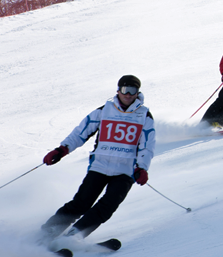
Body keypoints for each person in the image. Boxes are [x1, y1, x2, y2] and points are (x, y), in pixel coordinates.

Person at [39, 75, 156, 244]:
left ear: (138, 93)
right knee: (80, 204)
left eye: (133, 91)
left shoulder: (144, 116)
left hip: (125, 171)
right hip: (100, 167)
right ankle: (46, 233)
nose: (128, 95)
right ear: (118, 90)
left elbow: (147, 145)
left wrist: (142, 167)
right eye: (125, 90)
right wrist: (62, 149)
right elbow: (81, 132)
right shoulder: (104, 110)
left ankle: (73, 237)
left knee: (106, 208)